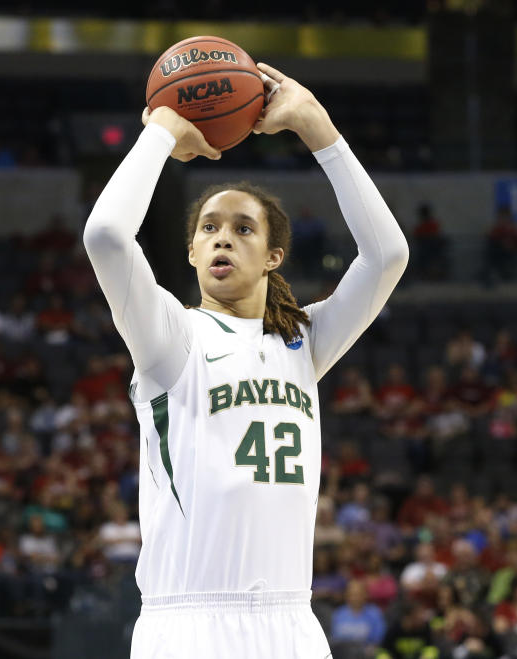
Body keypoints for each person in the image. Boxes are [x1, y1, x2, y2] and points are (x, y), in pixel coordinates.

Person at [83, 62, 407, 658]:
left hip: (292, 625)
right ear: (190, 252)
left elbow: (387, 255)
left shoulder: (303, 342)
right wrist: (159, 132)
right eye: (209, 227)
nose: (223, 237)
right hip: (189, 625)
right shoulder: (170, 337)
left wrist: (317, 127)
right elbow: (105, 234)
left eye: (242, 228)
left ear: (274, 255)